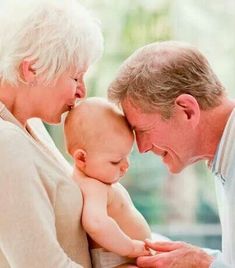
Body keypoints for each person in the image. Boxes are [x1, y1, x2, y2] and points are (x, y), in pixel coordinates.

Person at [108, 40, 235, 268]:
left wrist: (204, 263)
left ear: (187, 110)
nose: (142, 147)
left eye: (143, 130)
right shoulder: (224, 159)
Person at [0, 0, 103, 267]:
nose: (82, 92)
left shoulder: (30, 127)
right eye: (76, 77)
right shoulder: (6, 142)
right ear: (32, 68)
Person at [64, 97, 151, 268]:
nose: (126, 166)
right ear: (82, 158)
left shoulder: (97, 180)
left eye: (128, 156)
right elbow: (95, 223)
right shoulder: (92, 186)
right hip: (118, 260)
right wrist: (130, 247)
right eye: (115, 161)